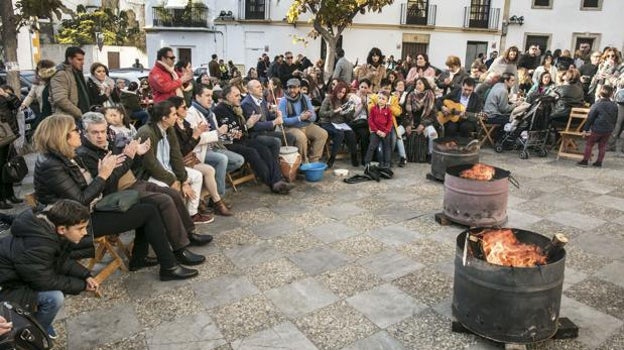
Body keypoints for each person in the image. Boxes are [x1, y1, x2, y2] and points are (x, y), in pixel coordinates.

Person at [33, 114, 199, 280]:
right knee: (150, 210)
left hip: (89, 209)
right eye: (75, 130)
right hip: (79, 222)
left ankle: (142, 258)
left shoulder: (65, 157)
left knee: (150, 208)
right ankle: (169, 265)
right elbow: (80, 200)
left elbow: (89, 188)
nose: (79, 134)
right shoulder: (52, 165)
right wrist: (103, 175)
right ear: (62, 136)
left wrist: (111, 168)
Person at [76, 111, 210, 265]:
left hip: (133, 183)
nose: (100, 136)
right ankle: (180, 249)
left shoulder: (106, 143)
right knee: (163, 201)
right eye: (94, 132)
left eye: (102, 131)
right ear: (84, 133)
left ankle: (188, 234)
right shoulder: (85, 154)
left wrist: (136, 154)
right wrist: (129, 157)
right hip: (117, 194)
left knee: (172, 193)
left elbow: (125, 166)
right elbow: (107, 181)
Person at [0, 199, 96, 338]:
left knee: (57, 289)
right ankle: (34, 334)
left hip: (20, 277)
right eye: (80, 228)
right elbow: (44, 281)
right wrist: (82, 286)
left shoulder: (49, 230)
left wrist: (85, 275)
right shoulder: (39, 244)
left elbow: (60, 261)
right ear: (62, 229)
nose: (85, 232)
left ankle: (39, 321)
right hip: (7, 288)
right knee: (54, 298)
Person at [134, 100, 213, 223]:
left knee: (196, 176)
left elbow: (176, 156)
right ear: (164, 118)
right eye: (174, 114)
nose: (177, 116)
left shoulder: (169, 128)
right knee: (168, 189)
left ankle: (191, 214)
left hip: (167, 168)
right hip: (149, 175)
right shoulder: (146, 132)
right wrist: (172, 180)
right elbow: (150, 164)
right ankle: (173, 221)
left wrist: (183, 180)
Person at [213, 85, 294, 194]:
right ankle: (273, 183)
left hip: (243, 139)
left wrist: (250, 123)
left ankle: (277, 180)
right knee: (252, 152)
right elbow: (233, 132)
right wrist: (248, 124)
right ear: (228, 96)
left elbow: (241, 130)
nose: (239, 98)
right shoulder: (220, 110)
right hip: (229, 143)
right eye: (236, 95)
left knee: (264, 149)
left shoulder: (235, 108)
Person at [169, 96, 232, 216]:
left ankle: (211, 200)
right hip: (178, 163)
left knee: (211, 169)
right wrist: (196, 134)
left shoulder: (184, 123)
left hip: (189, 159)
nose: (186, 109)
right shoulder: (173, 128)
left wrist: (198, 133)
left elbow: (191, 142)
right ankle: (215, 202)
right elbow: (183, 149)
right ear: (175, 110)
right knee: (213, 166)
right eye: (183, 107)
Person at [185, 85, 245, 199]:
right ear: (197, 97)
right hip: (199, 151)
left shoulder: (210, 113)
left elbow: (216, 135)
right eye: (207, 95)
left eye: (211, 96)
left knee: (238, 160)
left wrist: (229, 135)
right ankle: (218, 198)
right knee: (222, 160)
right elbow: (194, 139)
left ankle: (211, 183)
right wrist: (217, 133)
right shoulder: (191, 114)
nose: (210, 99)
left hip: (214, 146)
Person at [278, 78, 328, 163]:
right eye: (290, 88)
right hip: (290, 127)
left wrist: (309, 116)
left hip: (306, 124)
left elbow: (314, 117)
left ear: (299, 88)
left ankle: (314, 160)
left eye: (294, 87)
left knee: (322, 134)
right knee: (301, 138)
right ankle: (303, 162)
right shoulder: (283, 101)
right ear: (287, 88)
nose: (292, 90)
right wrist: (299, 118)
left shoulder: (305, 98)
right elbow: (283, 120)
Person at [241, 79, 295, 157]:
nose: (261, 88)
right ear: (250, 91)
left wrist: (276, 115)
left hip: (266, 131)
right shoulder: (246, 103)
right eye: (257, 87)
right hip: (255, 134)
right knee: (276, 141)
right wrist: (274, 122)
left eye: (261, 86)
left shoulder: (261, 99)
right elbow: (254, 126)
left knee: (290, 137)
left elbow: (268, 116)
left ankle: (285, 159)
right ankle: (275, 163)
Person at [318, 81, 359, 168]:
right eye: (340, 91)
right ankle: (332, 158)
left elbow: (349, 117)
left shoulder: (346, 101)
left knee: (351, 133)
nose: (341, 94)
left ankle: (354, 156)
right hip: (327, 122)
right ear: (336, 90)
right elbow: (321, 113)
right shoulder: (329, 98)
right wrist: (334, 111)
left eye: (344, 92)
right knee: (339, 134)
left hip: (340, 123)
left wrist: (349, 111)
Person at [577, 85, 618, 167]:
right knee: (602, 146)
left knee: (589, 144)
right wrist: (612, 127)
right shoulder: (614, 105)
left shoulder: (597, 105)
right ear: (611, 94)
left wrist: (585, 129)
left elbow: (590, 118)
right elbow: (615, 117)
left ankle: (585, 160)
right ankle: (599, 162)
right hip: (608, 129)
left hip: (597, 128)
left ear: (600, 93)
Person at [49, 46, 91, 121]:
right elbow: (60, 99)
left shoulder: (77, 73)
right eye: (79, 60)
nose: (83, 63)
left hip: (79, 118)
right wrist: (79, 112)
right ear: (70, 59)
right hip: (66, 119)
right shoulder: (61, 74)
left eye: (83, 59)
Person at [0, 85, 22, 209]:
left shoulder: (3, 92)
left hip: (8, 135)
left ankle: (9, 194)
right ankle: (1, 198)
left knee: (8, 165)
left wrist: (5, 94)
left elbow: (17, 104)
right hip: (2, 135)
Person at [404, 77, 439, 156]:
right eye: (416, 84)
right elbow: (405, 113)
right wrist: (408, 124)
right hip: (412, 121)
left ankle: (431, 154)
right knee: (400, 133)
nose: (418, 86)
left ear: (425, 85)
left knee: (433, 134)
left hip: (425, 122)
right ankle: (404, 156)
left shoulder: (430, 95)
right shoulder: (410, 95)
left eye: (420, 84)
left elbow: (433, 115)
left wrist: (423, 124)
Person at [364, 91, 393, 168]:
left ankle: (387, 163)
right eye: (379, 98)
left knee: (387, 147)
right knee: (371, 146)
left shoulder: (389, 110)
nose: (380, 100)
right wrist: (377, 131)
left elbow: (390, 122)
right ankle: (367, 162)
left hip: (385, 132)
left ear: (387, 101)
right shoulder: (373, 109)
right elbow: (370, 121)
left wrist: (386, 132)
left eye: (383, 99)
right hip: (375, 131)